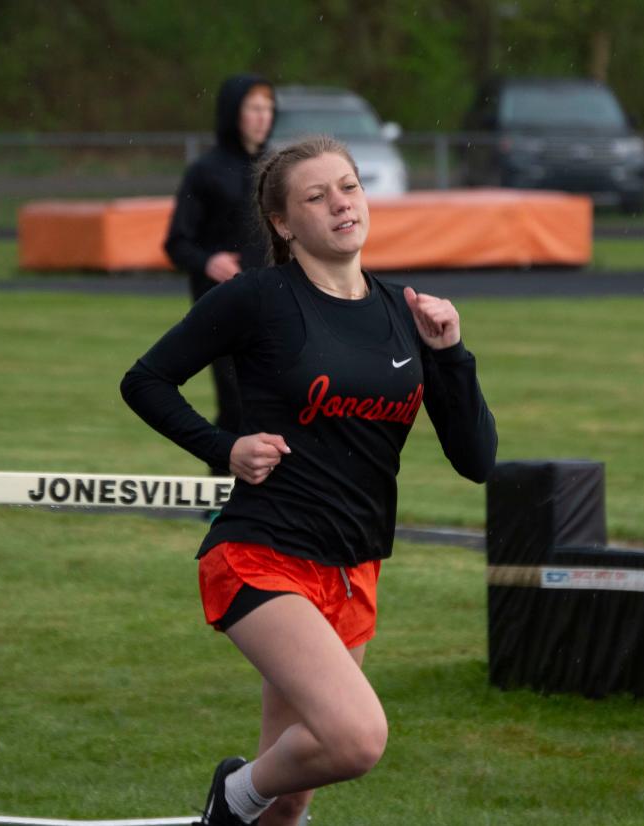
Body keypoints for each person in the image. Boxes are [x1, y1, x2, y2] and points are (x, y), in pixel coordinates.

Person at [121, 135, 497, 826]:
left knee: (292, 796)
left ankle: (252, 803)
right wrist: (224, 445)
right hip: (262, 553)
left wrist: (452, 353)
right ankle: (230, 798)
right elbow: (145, 380)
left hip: (353, 569)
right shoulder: (257, 299)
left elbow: (476, 460)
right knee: (355, 738)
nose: (340, 204)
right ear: (284, 224)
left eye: (348, 187)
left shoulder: (402, 313)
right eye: (316, 196)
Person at [164, 73, 275, 471]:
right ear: (233, 113)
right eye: (253, 108)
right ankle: (218, 496)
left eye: (268, 108)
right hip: (221, 305)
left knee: (273, 402)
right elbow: (177, 243)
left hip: (273, 300)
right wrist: (209, 261)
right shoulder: (205, 171)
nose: (263, 117)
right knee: (236, 402)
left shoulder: (278, 168)